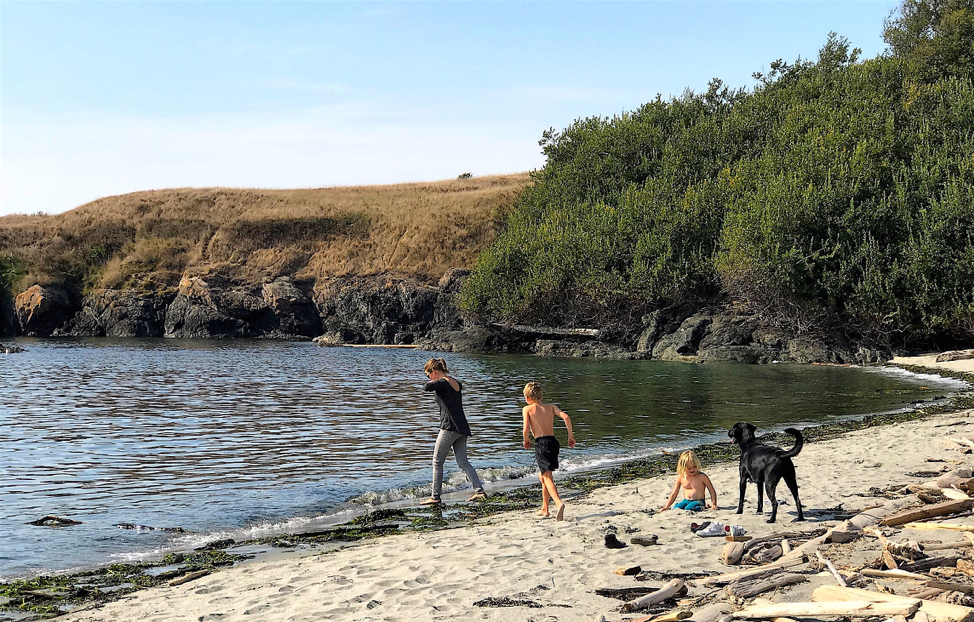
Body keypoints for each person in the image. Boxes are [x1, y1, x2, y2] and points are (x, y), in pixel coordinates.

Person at [420, 357, 486, 505]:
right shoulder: (454, 382)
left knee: (437, 462)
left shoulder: (442, 383)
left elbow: (426, 387)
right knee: (463, 462)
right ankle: (479, 491)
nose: (428, 377)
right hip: (462, 427)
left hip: (449, 427)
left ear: (434, 372)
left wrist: (432, 382)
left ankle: (435, 496)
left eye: (428, 374)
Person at [522, 381, 575, 521]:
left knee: (547, 477)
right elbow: (566, 417)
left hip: (541, 443)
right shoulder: (551, 407)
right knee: (543, 476)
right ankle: (545, 508)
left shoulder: (527, 409)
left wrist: (526, 440)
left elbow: (526, 428)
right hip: (553, 442)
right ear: (541, 395)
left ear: (527, 398)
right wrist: (570, 435)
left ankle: (559, 503)